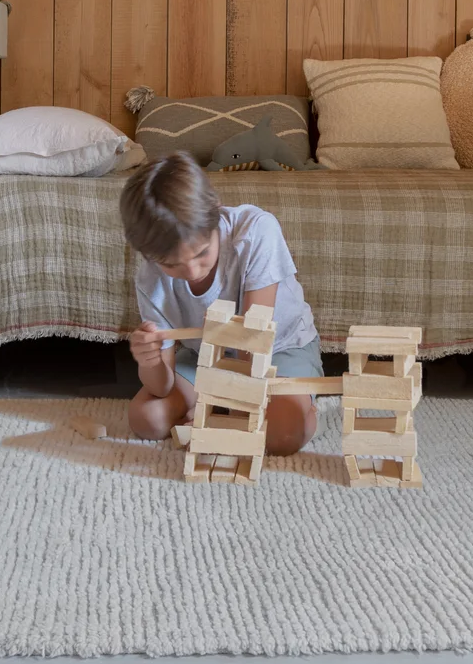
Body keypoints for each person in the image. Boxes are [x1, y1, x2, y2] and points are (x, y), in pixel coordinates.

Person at [119, 151, 322, 455]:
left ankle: (297, 407)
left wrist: (222, 406)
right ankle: (223, 409)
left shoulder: (256, 231)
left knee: (282, 434)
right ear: (149, 255)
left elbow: (251, 346)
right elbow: (159, 387)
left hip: (278, 350)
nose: (191, 271)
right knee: (146, 419)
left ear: (217, 214)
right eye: (171, 264)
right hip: (206, 356)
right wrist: (149, 362)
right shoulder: (150, 278)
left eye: (201, 253)